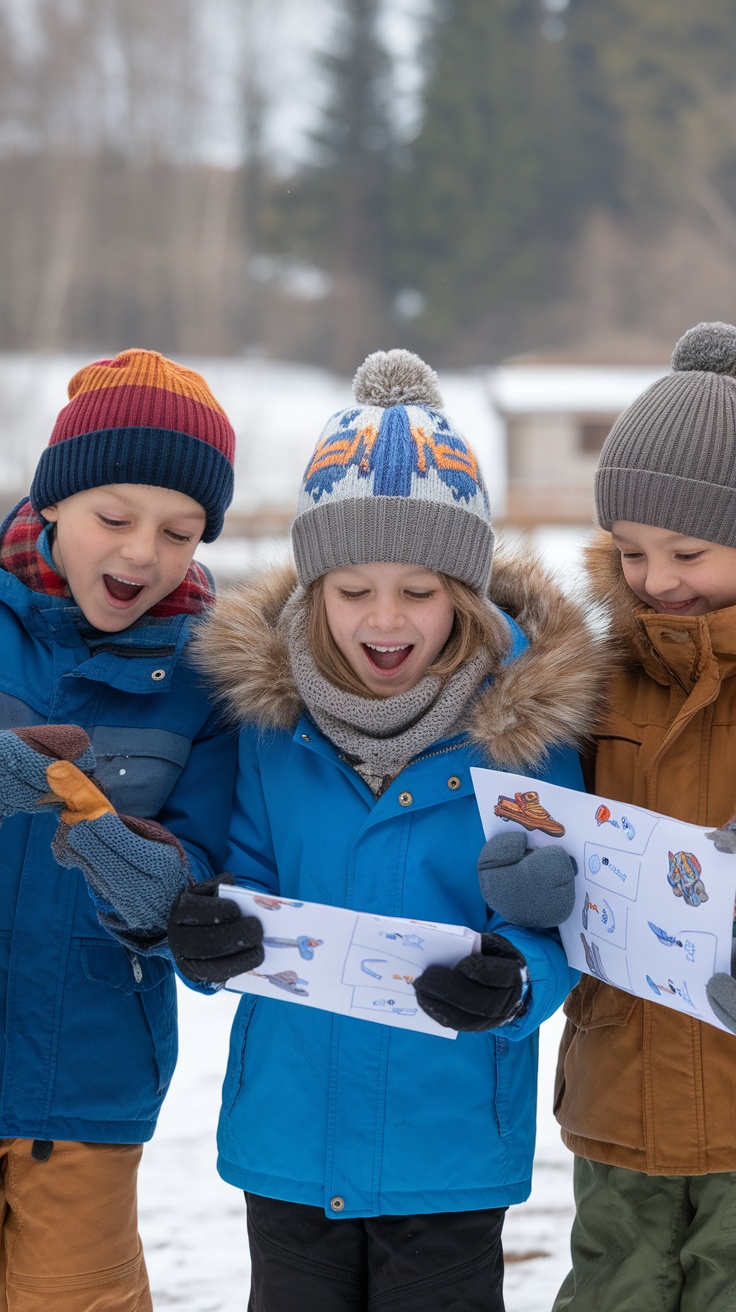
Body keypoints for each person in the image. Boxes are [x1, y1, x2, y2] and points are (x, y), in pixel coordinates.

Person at [162, 348, 605, 1311]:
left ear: (468, 595)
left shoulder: (525, 736)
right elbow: (240, 885)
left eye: (421, 588)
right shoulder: (273, 731)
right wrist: (206, 937)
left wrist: (520, 979)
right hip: (289, 1133)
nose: (385, 618)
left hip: (446, 1136)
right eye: (353, 588)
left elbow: (568, 909)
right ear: (315, 588)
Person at [490, 321, 736, 1311]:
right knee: (612, 1291)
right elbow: (545, 827)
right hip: (619, 1086)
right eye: (629, 551)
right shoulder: (595, 679)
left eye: (687, 550)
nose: (656, 580)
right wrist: (526, 872)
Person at [0, 348, 238, 1310]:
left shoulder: (206, 678)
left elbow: (207, 874)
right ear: (52, 502)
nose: (143, 552)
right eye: (114, 517)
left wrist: (151, 879)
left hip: (84, 1082)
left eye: (180, 532)